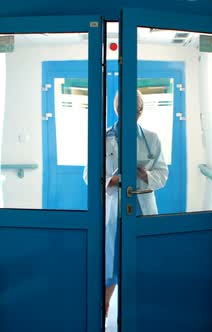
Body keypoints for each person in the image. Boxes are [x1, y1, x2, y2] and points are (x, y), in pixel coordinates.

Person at [84, 90, 168, 321]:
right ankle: (104, 313)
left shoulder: (152, 138)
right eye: (128, 108)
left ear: (141, 111)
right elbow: (89, 175)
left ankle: (135, 319)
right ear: (117, 109)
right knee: (109, 268)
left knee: (142, 266)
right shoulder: (103, 137)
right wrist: (113, 179)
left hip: (141, 211)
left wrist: (146, 175)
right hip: (114, 211)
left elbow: (163, 174)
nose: (134, 112)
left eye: (137, 108)